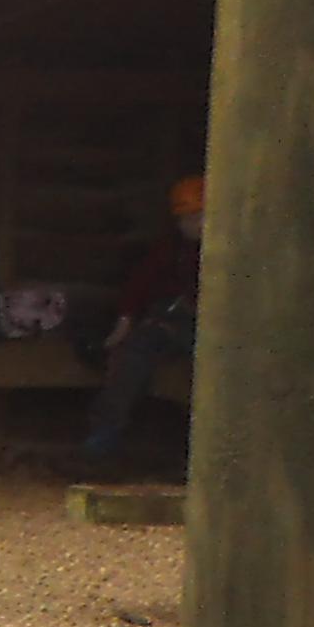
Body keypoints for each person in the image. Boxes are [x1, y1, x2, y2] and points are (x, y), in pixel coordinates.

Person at [75, 172, 204, 469]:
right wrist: (124, 323)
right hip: (171, 325)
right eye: (186, 219)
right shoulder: (170, 249)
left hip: (214, 333)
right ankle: (103, 437)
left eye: (198, 217)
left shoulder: (232, 251)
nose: (192, 225)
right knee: (131, 355)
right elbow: (139, 286)